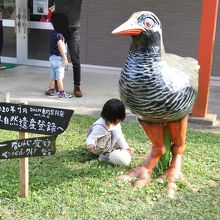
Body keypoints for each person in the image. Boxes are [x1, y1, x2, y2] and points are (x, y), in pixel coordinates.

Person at [45, 0, 83, 97]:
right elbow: (51, 5)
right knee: (57, 56)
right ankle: (57, 83)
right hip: (59, 26)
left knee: (75, 59)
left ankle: (77, 86)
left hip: (73, 28)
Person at [86, 99, 134, 165]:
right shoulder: (100, 126)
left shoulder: (116, 124)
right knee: (115, 133)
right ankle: (105, 155)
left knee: (116, 133)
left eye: (117, 122)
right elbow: (91, 137)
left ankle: (110, 150)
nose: (115, 123)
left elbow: (120, 136)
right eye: (113, 121)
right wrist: (91, 144)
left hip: (106, 142)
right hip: (97, 147)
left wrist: (125, 147)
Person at [47, 16, 72, 99]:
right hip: (58, 59)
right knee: (60, 77)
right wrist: (65, 58)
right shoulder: (59, 35)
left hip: (52, 58)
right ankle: (61, 93)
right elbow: (61, 46)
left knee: (52, 76)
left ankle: (51, 90)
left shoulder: (52, 33)